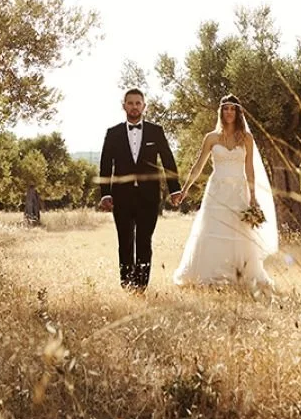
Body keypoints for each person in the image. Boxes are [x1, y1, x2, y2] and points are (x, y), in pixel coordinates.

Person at [173, 94, 278, 292]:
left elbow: (249, 169)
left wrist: (253, 197)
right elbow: (198, 166)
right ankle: (211, 275)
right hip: (217, 191)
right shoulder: (211, 138)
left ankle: (240, 274)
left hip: (239, 191)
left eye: (233, 109)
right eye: (226, 108)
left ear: (238, 113)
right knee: (213, 230)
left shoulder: (246, 138)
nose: (229, 112)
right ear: (221, 111)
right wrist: (185, 189)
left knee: (239, 232)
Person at [97, 88, 183, 291]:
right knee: (125, 242)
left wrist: (175, 190)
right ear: (123, 105)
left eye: (138, 103)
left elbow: (168, 160)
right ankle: (127, 285)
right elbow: (104, 165)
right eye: (130, 103)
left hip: (149, 196)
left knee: (144, 241)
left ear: (144, 106)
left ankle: (141, 287)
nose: (134, 107)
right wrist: (106, 193)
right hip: (121, 196)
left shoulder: (156, 131)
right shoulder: (113, 133)